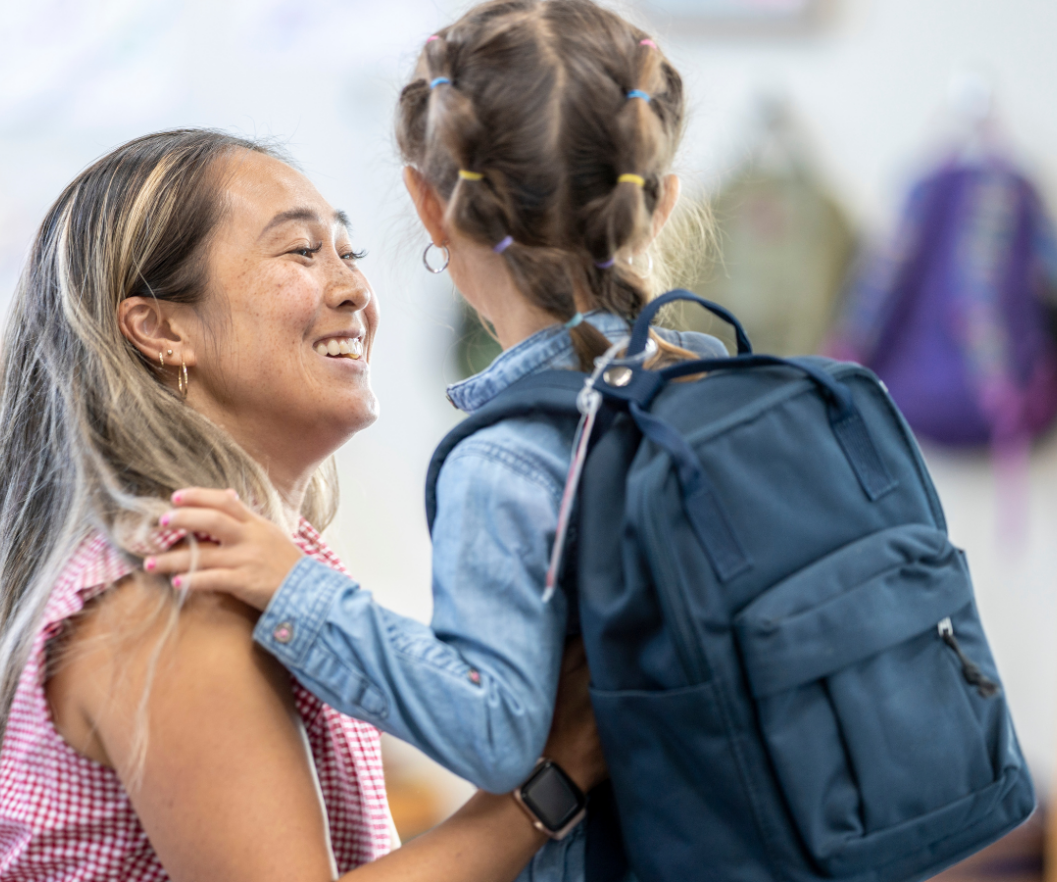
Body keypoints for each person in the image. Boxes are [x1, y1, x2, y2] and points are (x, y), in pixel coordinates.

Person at [0, 128, 604, 882]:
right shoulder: (174, 596)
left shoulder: (264, 565)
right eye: (302, 253)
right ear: (162, 328)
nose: (354, 292)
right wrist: (550, 782)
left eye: (349, 254)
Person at [147, 2, 720, 879]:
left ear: (427, 203)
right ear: (662, 197)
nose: (343, 283)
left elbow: (495, 732)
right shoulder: (717, 383)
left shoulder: (508, 454)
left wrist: (297, 591)